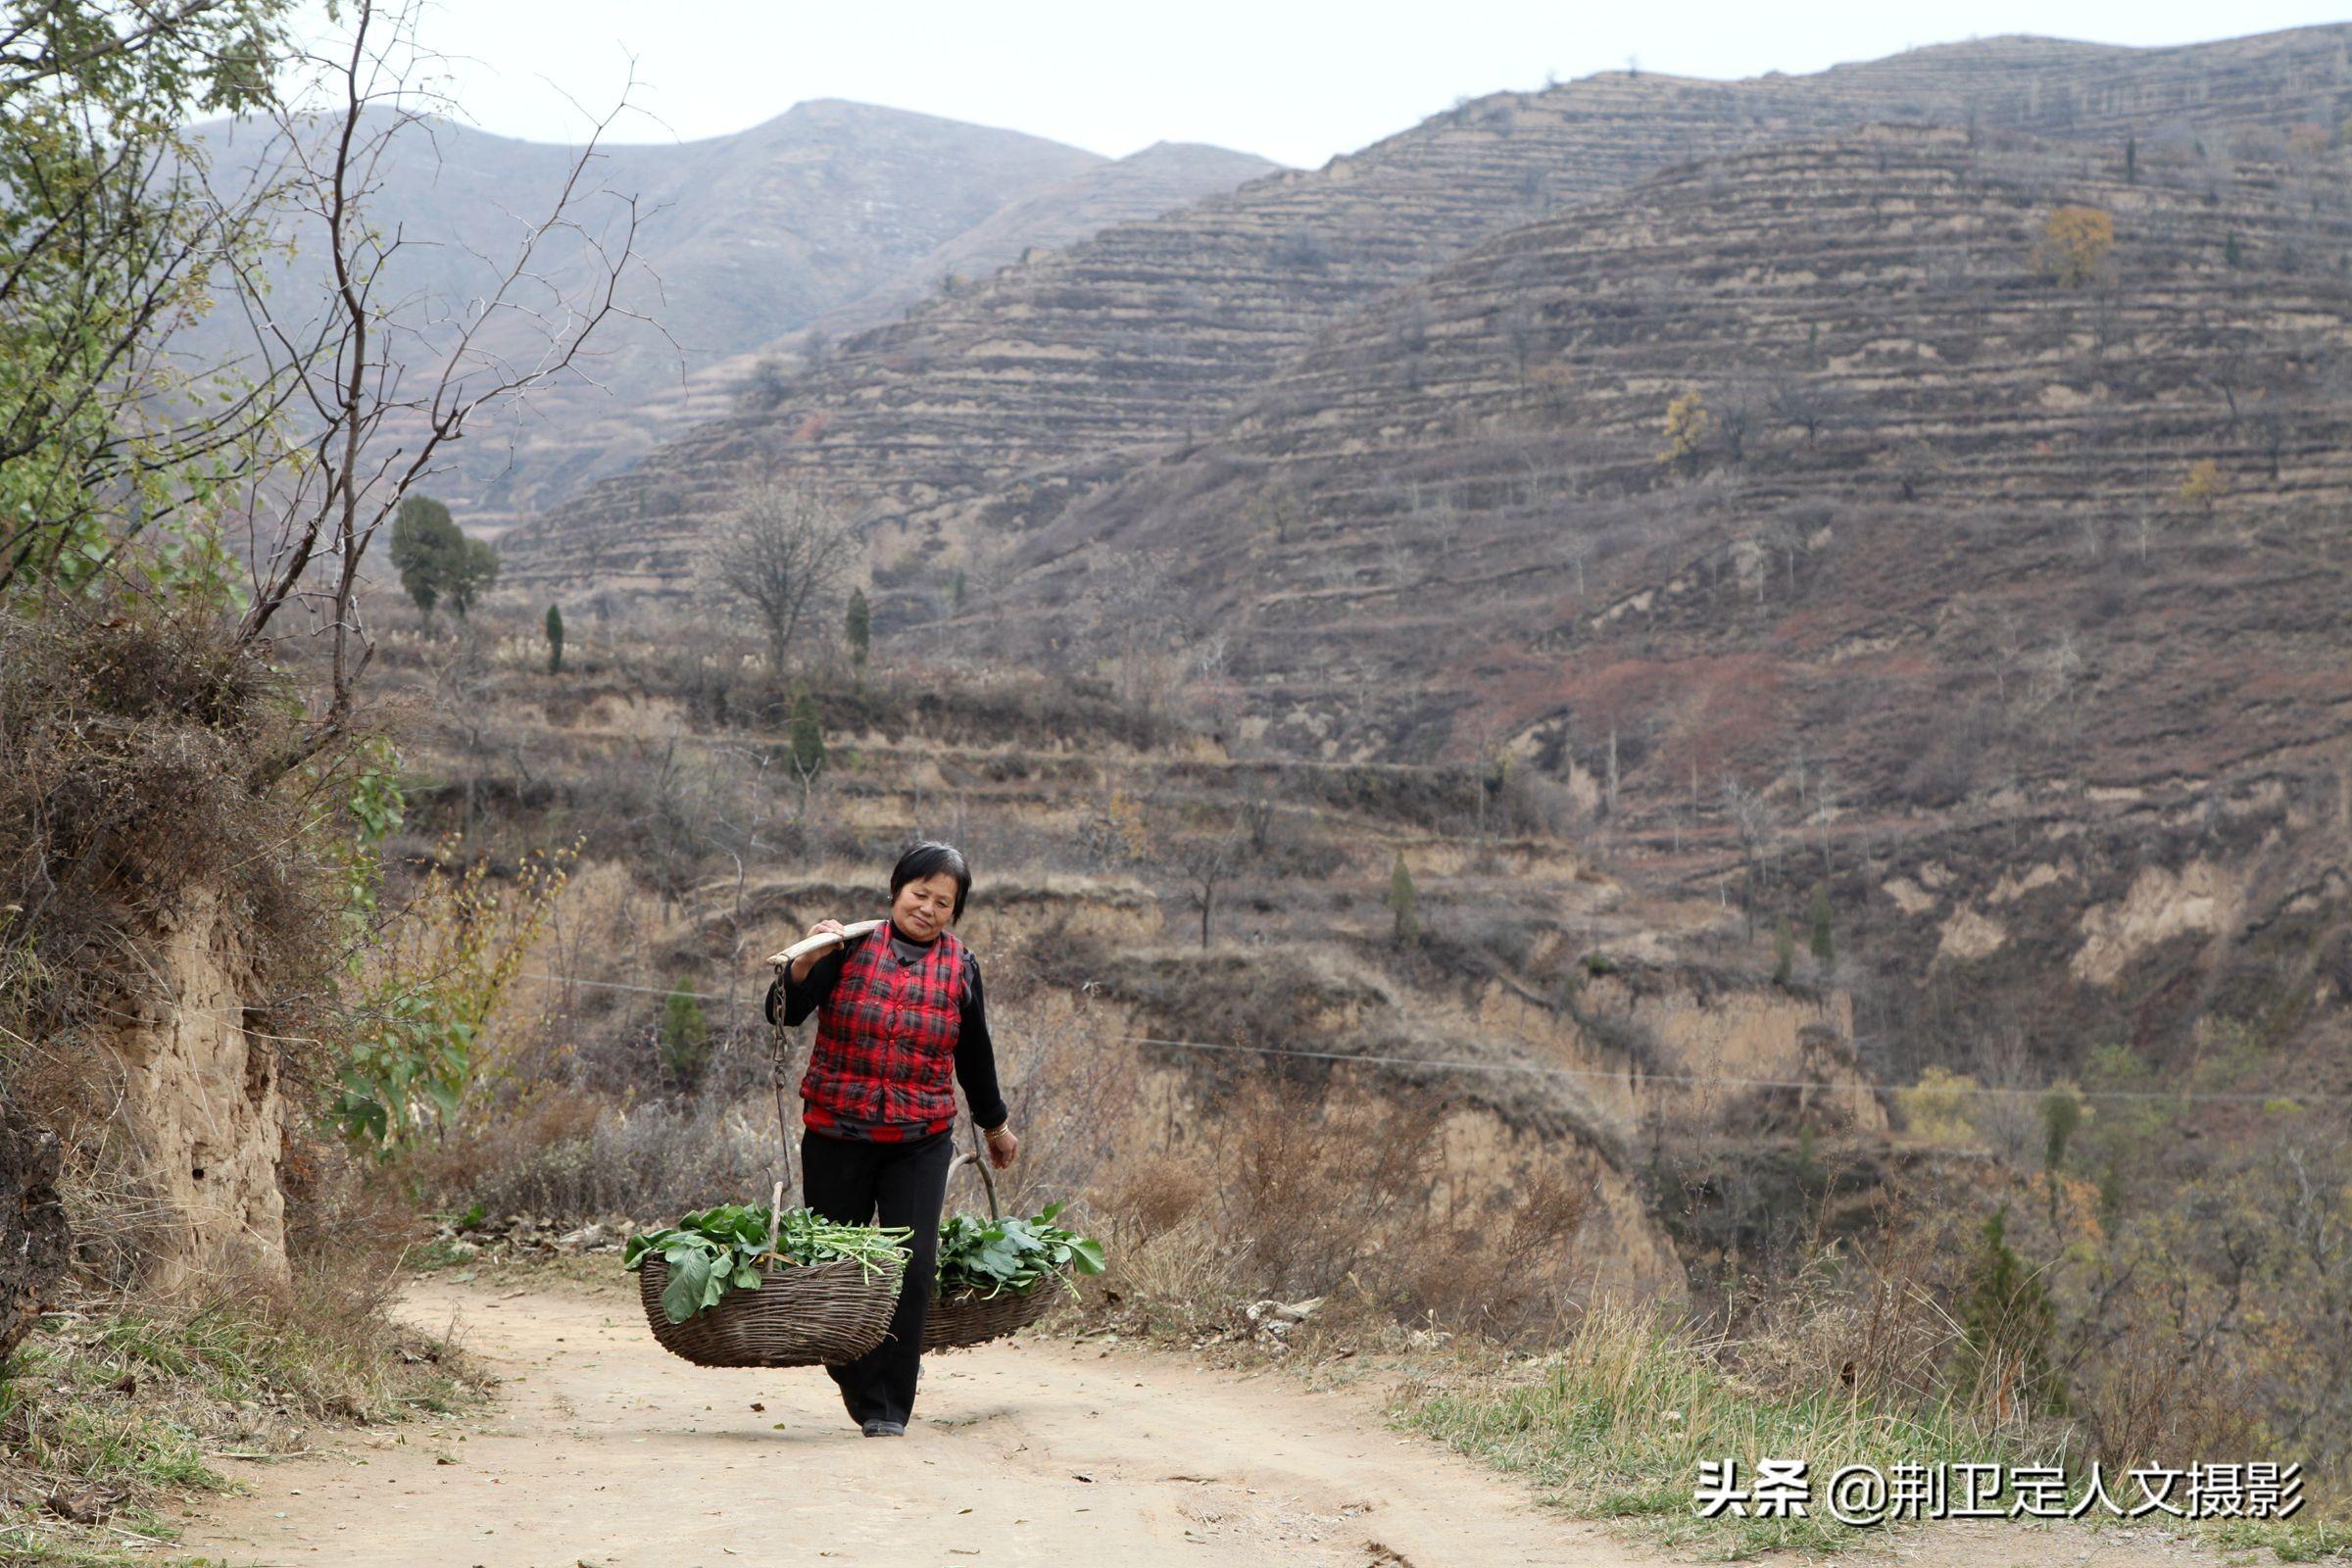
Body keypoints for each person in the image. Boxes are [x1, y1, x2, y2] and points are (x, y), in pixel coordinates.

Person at [763, 840, 1017, 1437]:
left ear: (955, 912)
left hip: (919, 1137)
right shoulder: (844, 947)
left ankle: (887, 1406)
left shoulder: (961, 966)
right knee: (841, 1267)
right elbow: (782, 1014)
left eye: (942, 902)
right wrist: (801, 966)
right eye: (919, 894)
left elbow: (974, 1055)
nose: (927, 908)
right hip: (836, 1131)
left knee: (912, 1264)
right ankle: (856, 1371)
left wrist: (996, 1125)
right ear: (896, 891)